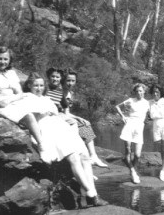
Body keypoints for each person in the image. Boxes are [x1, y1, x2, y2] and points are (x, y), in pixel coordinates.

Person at [23, 72, 108, 207]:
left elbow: (61, 113)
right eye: (35, 85)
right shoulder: (26, 98)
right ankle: (92, 194)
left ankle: (85, 195)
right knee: (73, 157)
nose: (39, 88)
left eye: (41, 85)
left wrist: (72, 119)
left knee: (85, 156)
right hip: (47, 129)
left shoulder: (48, 98)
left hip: (61, 125)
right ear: (29, 85)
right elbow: (29, 118)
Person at [61, 69, 108, 168]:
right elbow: (60, 112)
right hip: (57, 118)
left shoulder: (70, 93)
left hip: (65, 116)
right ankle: (89, 157)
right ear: (63, 80)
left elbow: (67, 112)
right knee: (81, 126)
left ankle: (93, 156)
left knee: (86, 123)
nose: (70, 83)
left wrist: (80, 118)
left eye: (73, 81)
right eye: (68, 80)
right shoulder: (60, 92)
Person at [116, 83, 149, 184]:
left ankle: (133, 168)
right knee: (128, 150)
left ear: (144, 92)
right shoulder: (130, 100)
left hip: (139, 127)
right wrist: (123, 116)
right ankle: (133, 171)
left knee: (138, 154)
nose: (139, 93)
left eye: (141, 91)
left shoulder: (147, 103)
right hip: (129, 125)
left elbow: (152, 113)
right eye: (137, 91)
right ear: (135, 92)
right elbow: (117, 106)